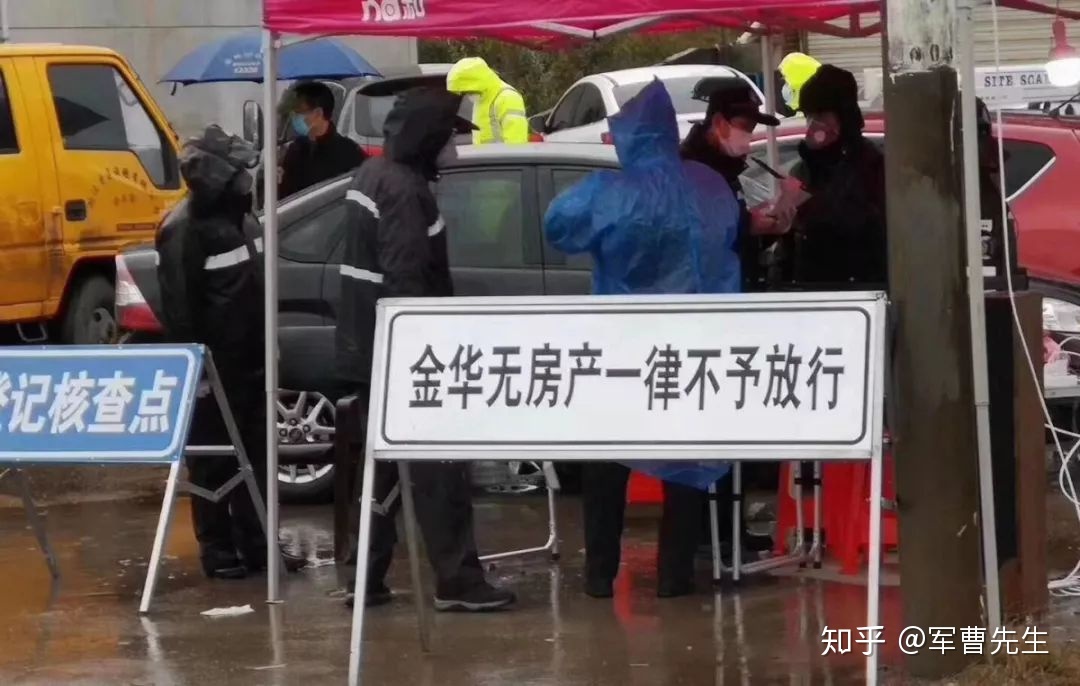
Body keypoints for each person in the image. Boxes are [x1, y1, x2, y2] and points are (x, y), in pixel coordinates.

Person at [544, 79, 742, 599]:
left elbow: (557, 227)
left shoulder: (610, 193)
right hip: (692, 348)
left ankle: (599, 575)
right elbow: (731, 237)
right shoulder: (707, 185)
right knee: (687, 461)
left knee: (609, 461)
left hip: (622, 351)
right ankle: (676, 576)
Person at [336, 87, 516, 612]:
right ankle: (458, 581)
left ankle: (363, 576)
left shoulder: (372, 175)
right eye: (448, 139)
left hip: (369, 350)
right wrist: (426, 354)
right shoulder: (404, 191)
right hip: (406, 358)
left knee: (381, 472)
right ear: (426, 139)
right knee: (440, 471)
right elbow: (407, 283)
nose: (453, 151)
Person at [156, 126, 304, 579]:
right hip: (215, 367)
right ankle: (218, 551)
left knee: (257, 457)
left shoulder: (244, 220)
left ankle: (259, 544)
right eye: (238, 170)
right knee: (214, 460)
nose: (247, 178)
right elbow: (181, 308)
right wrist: (199, 372)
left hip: (252, 362)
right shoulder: (183, 229)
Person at [679, 77, 786, 563]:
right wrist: (750, 225)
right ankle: (715, 535)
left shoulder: (725, 167)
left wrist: (759, 229)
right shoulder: (697, 170)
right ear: (719, 124)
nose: (748, 138)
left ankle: (726, 531)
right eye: (743, 127)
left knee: (728, 432)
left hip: (726, 309)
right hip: (704, 317)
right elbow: (704, 238)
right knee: (712, 432)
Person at [781, 64, 887, 287]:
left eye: (820, 114)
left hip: (859, 292)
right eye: (808, 114)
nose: (812, 123)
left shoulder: (873, 166)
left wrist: (816, 209)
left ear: (843, 116)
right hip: (808, 291)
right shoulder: (802, 168)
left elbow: (876, 230)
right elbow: (788, 245)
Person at [278, 81, 367, 198]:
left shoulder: (350, 153)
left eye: (299, 112)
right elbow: (284, 200)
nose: (294, 117)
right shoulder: (294, 150)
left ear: (318, 113)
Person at [446, 57, 528, 144]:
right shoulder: (482, 99)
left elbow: (516, 142)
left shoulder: (507, 97)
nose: (467, 95)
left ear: (476, 83)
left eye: (467, 91)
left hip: (502, 157)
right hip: (486, 156)